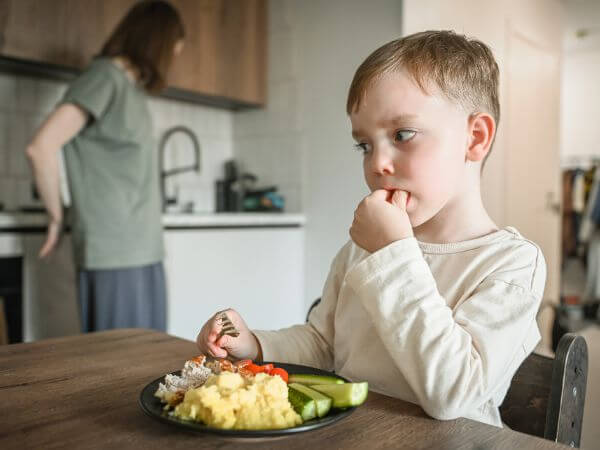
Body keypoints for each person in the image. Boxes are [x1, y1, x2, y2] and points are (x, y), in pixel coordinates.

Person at [195, 30, 547, 427]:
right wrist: (256, 344)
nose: (377, 163)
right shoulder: (365, 249)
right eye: (364, 145)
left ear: (474, 138)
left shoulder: (511, 264)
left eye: (402, 135)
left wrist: (393, 252)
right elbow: (323, 344)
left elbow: (452, 394)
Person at [26, 1, 185, 332]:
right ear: (157, 43)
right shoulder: (105, 77)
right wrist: (57, 217)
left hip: (142, 249)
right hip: (115, 250)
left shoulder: (129, 89)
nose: (173, 61)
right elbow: (41, 147)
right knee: (121, 368)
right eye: (174, 50)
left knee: (149, 363)